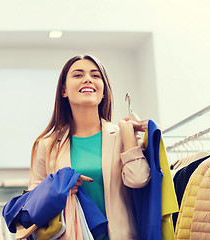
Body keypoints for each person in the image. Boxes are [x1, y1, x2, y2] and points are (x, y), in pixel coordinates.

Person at [28, 55, 151, 239]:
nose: (87, 79)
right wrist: (58, 187)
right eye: (78, 75)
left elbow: (139, 180)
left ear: (103, 92)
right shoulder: (47, 145)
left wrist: (127, 133)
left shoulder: (121, 135)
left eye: (95, 75)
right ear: (64, 91)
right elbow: (33, 202)